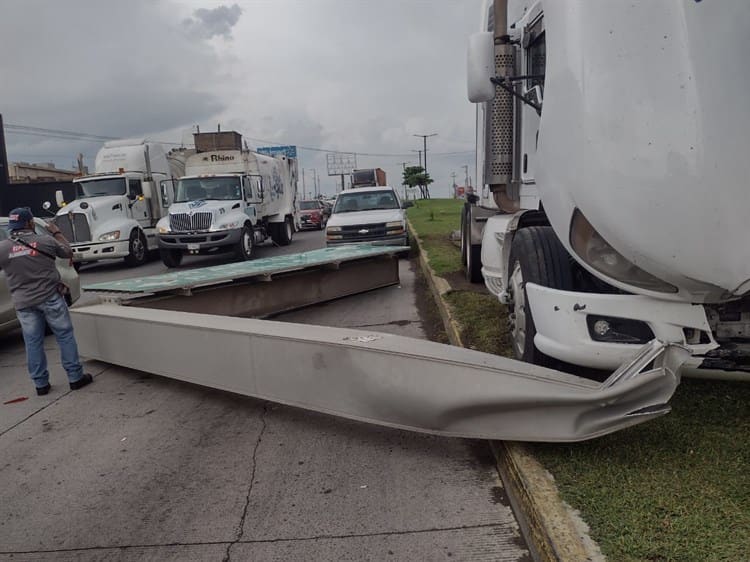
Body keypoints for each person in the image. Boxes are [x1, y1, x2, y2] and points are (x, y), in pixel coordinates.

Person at [0, 207, 92, 395]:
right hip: (50, 297)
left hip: (23, 303)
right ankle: (75, 377)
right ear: (30, 223)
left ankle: (41, 384)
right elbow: (68, 252)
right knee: (64, 335)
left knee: (32, 342)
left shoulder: (3, 248)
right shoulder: (45, 241)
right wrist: (57, 232)